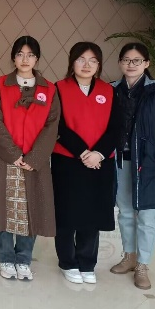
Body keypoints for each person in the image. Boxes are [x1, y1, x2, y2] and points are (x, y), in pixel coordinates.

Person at [0, 35, 60, 281]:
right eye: (20, 54)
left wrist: (34, 157)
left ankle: (24, 259)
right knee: (3, 210)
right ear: (13, 58)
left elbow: (52, 125)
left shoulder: (49, 89)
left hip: (34, 161)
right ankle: (5, 257)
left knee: (31, 209)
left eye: (30, 55)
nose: (25, 59)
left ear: (37, 59)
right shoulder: (0, 84)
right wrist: (14, 154)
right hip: (5, 158)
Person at [109, 42, 155, 290]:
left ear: (146, 64)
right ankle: (129, 256)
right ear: (120, 63)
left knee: (148, 215)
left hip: (149, 163)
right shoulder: (112, 90)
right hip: (121, 161)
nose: (131, 64)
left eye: (137, 60)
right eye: (126, 60)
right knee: (125, 212)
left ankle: (142, 264)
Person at [52, 42, 118, 284]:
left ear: (99, 64)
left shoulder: (109, 91)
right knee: (66, 213)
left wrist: (98, 153)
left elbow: (116, 127)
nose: (87, 65)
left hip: (100, 162)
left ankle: (87, 262)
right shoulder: (58, 88)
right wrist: (83, 152)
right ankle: (67, 262)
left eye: (93, 60)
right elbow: (57, 125)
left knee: (93, 213)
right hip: (67, 161)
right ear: (72, 62)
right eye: (81, 59)